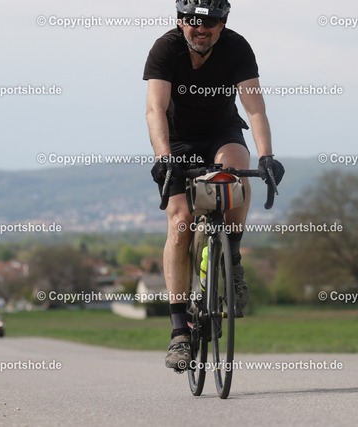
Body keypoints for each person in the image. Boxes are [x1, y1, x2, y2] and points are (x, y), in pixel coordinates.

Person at [144, 0, 284, 370]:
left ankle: (232, 259)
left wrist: (267, 156)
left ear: (222, 24)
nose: (201, 29)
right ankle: (179, 332)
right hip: (178, 141)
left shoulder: (237, 47)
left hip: (222, 132)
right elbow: (155, 109)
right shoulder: (165, 49)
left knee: (236, 173)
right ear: (181, 21)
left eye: (211, 22)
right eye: (194, 21)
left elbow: (254, 108)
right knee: (181, 223)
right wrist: (163, 157)